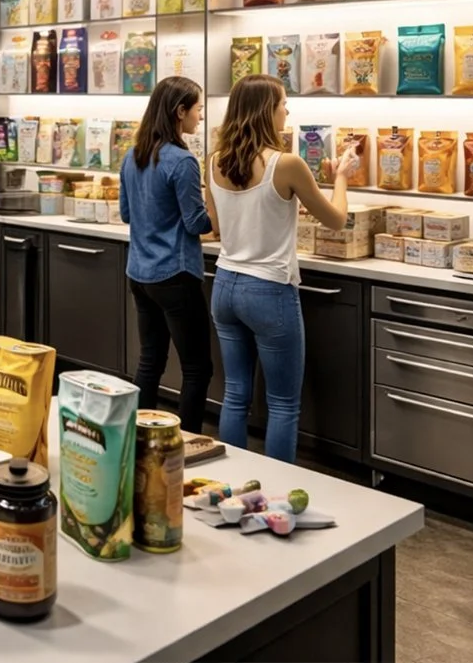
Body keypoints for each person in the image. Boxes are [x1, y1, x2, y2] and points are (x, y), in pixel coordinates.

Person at [203, 74, 359, 464]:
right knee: (283, 403)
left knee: (236, 394)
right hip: (269, 290)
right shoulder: (286, 163)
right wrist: (340, 177)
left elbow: (217, 226)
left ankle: (232, 486)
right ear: (264, 111)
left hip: (225, 284)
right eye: (282, 103)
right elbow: (337, 220)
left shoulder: (215, 162)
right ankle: (277, 494)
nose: (287, 110)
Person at [119, 76, 213, 431]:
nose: (200, 118)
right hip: (175, 274)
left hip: (140, 274)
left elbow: (128, 214)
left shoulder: (133, 155)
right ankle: (187, 443)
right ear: (180, 112)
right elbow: (195, 224)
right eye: (198, 109)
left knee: (150, 361)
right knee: (197, 369)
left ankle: (140, 437)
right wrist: (215, 211)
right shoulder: (182, 161)